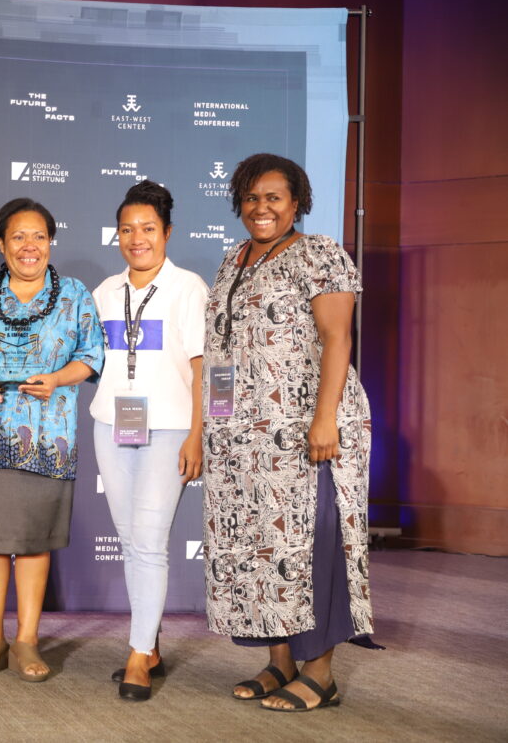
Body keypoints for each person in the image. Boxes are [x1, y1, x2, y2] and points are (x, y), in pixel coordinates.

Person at [203, 153, 373, 712]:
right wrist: (217, 427)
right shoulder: (233, 260)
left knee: (311, 543)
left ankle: (320, 672)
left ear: (296, 201)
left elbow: (337, 339)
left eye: (274, 197)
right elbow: (224, 357)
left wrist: (324, 418)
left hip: (305, 428)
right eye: (251, 197)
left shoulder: (320, 254)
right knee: (257, 548)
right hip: (241, 440)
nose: (262, 207)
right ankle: (279, 662)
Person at [0, 198, 103, 682]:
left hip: (48, 436)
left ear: (50, 242)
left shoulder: (74, 294)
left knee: (34, 543)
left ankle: (27, 639)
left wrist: (57, 379)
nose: (29, 246)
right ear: (0, 244)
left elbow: (92, 354)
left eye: (38, 237)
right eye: (18, 237)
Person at [90, 181, 207, 700]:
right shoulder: (104, 291)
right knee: (132, 539)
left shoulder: (189, 288)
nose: (137, 239)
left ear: (167, 233)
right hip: (111, 424)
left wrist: (199, 435)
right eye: (128, 229)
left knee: (150, 540)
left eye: (148, 229)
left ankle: (138, 655)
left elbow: (208, 369)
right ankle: (150, 643)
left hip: (170, 428)